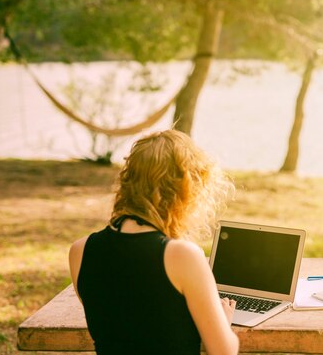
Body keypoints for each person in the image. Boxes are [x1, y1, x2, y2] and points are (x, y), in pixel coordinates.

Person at [68, 130, 239, 355]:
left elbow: (125, 324)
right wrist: (222, 322)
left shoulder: (80, 250)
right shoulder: (182, 255)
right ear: (186, 191)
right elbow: (223, 352)